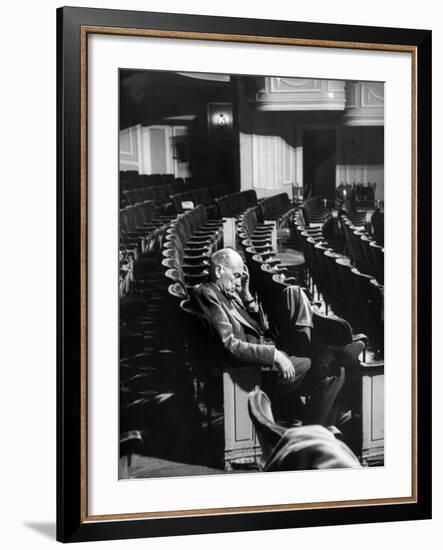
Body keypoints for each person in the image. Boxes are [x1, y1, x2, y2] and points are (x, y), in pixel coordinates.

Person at [191, 248, 360, 425]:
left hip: (262, 352)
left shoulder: (225, 291)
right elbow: (229, 345)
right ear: (219, 271)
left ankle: (316, 421)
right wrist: (274, 355)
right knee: (325, 366)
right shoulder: (207, 294)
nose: (238, 280)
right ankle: (333, 356)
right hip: (250, 370)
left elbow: (257, 328)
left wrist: (246, 296)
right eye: (236, 275)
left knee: (293, 293)